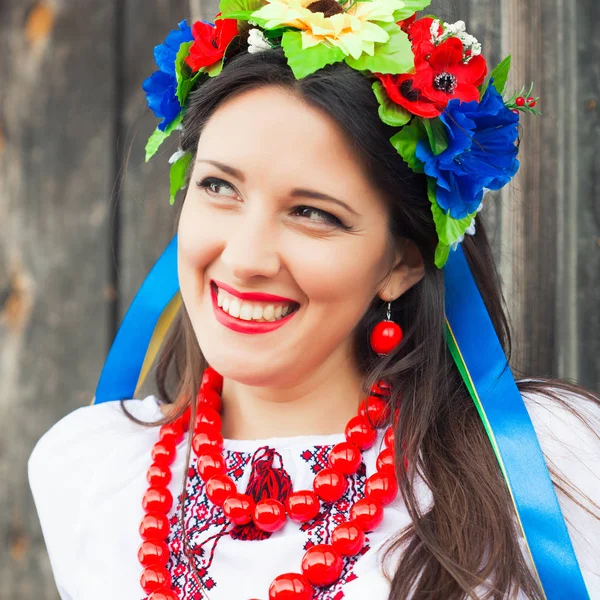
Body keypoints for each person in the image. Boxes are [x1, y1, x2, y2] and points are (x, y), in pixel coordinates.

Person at [28, 3, 600, 600]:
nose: (247, 258)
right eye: (219, 187)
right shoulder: (92, 474)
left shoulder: (538, 470)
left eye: (312, 213)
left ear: (401, 263)